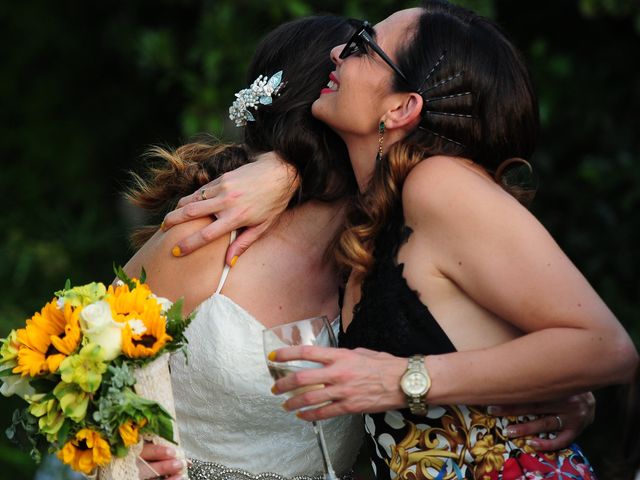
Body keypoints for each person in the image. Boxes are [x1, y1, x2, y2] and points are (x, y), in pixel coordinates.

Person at [160, 2, 638, 479]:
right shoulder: (374, 219)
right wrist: (281, 171)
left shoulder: (437, 184)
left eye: (364, 46)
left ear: (402, 107)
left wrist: (402, 378)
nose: (336, 53)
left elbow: (606, 346)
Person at [122, 15, 363, 480]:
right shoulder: (204, 239)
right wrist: (130, 460)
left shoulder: (380, 245)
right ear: (324, 94)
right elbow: (80, 360)